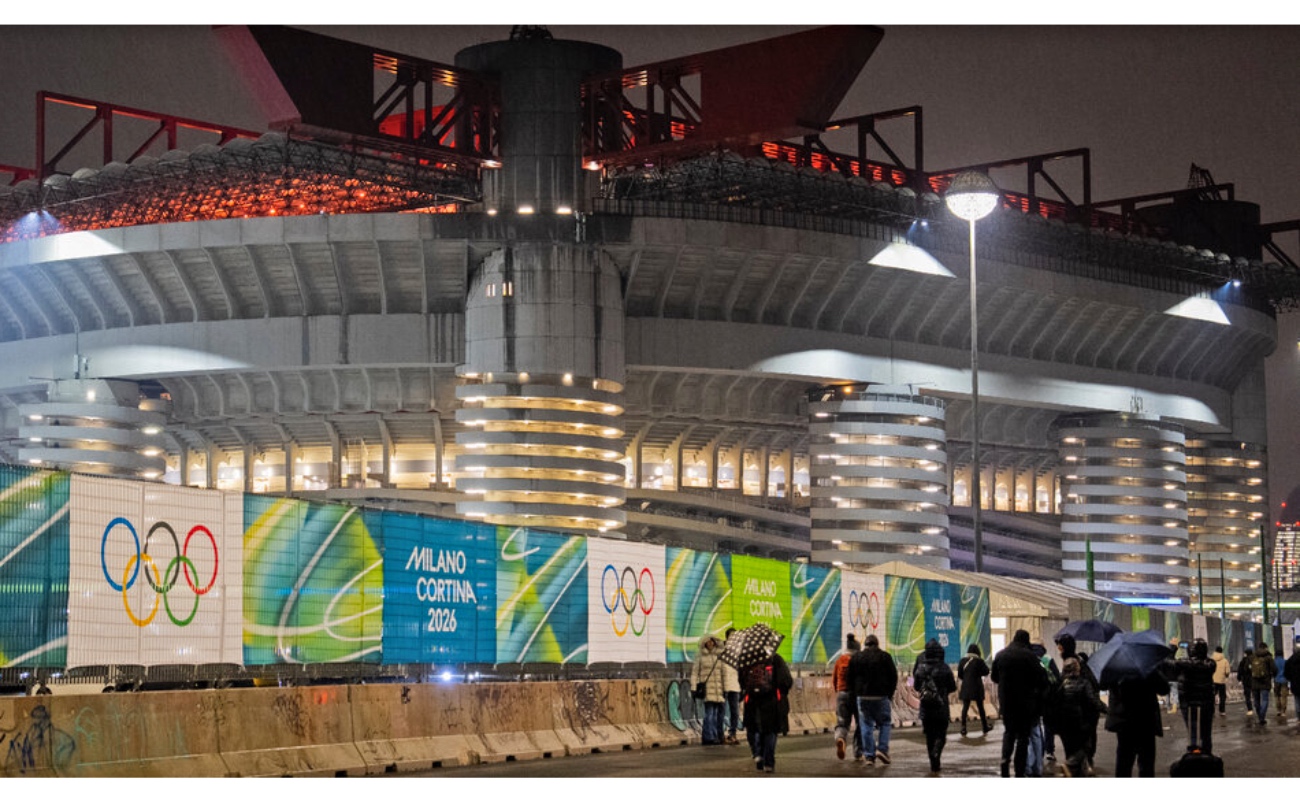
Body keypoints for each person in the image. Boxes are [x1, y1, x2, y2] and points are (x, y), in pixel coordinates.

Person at [991, 629, 1048, 778]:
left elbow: (994, 677)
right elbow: (1042, 680)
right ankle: (1019, 768)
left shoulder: (1001, 655)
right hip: (1025, 703)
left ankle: (1005, 759)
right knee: (1023, 737)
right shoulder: (1031, 657)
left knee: (1009, 732)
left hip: (1007, 702)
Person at [1103, 667, 1170, 777]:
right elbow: (1164, 688)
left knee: (1124, 761)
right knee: (1146, 762)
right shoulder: (1147, 668)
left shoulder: (1116, 668)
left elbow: (1102, 684)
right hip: (1145, 720)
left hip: (1124, 721)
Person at [1049, 657, 1108, 777]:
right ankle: (1070, 764)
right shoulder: (1083, 683)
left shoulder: (1059, 683)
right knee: (1086, 746)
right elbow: (1093, 700)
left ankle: (1072, 771)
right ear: (1077, 669)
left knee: (1070, 749)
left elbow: (1053, 701)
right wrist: (1107, 709)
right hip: (1080, 721)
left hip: (1063, 723)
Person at [847, 633, 898, 767]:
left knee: (866, 725)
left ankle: (869, 756)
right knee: (885, 723)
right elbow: (894, 677)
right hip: (881, 696)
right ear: (877, 644)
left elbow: (849, 678)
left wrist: (855, 694)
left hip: (863, 697)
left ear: (865, 645)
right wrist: (890, 694)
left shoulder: (857, 657)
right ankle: (882, 749)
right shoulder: (885, 657)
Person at [742, 650, 793, 773]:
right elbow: (786, 681)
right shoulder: (775, 659)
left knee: (755, 728)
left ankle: (758, 755)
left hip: (752, 701)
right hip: (771, 701)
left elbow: (742, 680)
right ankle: (768, 763)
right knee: (770, 731)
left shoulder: (749, 659)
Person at [913, 638, 957, 773]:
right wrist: (941, 692)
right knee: (941, 734)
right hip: (941, 706)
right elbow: (952, 687)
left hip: (926, 707)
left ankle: (933, 763)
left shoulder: (920, 668)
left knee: (929, 735)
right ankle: (937, 751)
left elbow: (916, 686)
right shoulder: (944, 667)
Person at [1172, 639, 1217, 753]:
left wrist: (1173, 647)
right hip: (1207, 703)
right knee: (1206, 733)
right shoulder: (1211, 664)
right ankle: (1207, 756)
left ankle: (1194, 758)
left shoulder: (1185, 664)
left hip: (1189, 703)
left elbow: (1168, 664)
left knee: (1193, 732)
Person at [690, 635, 725, 745]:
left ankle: (713, 736)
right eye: (708, 642)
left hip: (718, 689)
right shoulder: (700, 656)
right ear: (704, 643)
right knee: (709, 713)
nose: (710, 643)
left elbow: (723, 673)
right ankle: (708, 737)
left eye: (712, 641)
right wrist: (693, 687)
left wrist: (725, 688)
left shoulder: (719, 656)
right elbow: (695, 673)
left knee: (715, 714)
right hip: (707, 689)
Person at [832, 634, 862, 760]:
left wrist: (838, 691)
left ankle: (840, 738)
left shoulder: (840, 660)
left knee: (842, 723)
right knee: (861, 724)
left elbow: (834, 678)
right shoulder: (859, 660)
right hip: (856, 695)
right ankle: (858, 752)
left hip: (841, 693)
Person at [957, 643, 991, 737]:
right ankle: (985, 727)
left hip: (966, 686)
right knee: (980, 708)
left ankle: (963, 727)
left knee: (965, 707)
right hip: (977, 686)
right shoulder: (979, 661)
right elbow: (986, 671)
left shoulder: (963, 661)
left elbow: (960, 674)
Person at [721, 628, 742, 745]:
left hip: (735, 685)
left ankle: (732, 734)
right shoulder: (721, 650)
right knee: (722, 711)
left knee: (735, 712)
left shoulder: (739, 651)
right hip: (723, 685)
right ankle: (721, 734)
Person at [1250, 642, 1274, 723]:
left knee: (1256, 700)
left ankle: (1260, 715)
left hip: (1254, 682)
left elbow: (1247, 668)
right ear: (1265, 648)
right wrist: (1271, 675)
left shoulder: (1253, 656)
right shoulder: (1268, 657)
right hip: (1265, 682)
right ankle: (1262, 717)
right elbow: (1274, 669)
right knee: (1265, 700)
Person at [1211, 645, 1230, 717]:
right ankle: (1222, 711)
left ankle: (1212, 711)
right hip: (1222, 682)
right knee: (1222, 696)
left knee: (1212, 696)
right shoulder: (1225, 661)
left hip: (1213, 681)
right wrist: (1226, 676)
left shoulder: (1211, 660)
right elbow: (1227, 672)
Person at [1238, 649, 1256, 718]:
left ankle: (1250, 709)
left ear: (1246, 654)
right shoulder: (1255, 659)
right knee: (1255, 694)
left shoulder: (1243, 661)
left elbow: (1240, 670)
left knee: (1247, 696)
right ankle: (1257, 707)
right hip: (1254, 680)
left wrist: (1239, 678)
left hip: (1246, 681)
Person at [1284, 645, 1300, 721]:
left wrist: (1291, 679)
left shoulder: (1290, 660)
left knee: (1297, 700)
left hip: (1295, 684)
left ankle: (1299, 717)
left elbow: (1286, 673)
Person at [1274, 648, 1290, 722]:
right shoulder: (1285, 662)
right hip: (1284, 680)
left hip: (1276, 680)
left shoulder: (1274, 662)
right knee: (1284, 696)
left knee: (1277, 695)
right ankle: (1283, 711)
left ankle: (1278, 710)